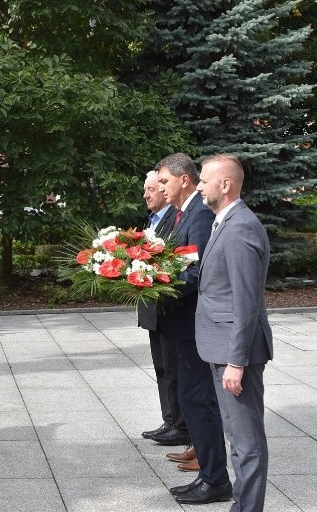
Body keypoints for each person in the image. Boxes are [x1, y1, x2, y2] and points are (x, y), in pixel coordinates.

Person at [196, 154, 273, 512]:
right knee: (237, 439)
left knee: (247, 443)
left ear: (224, 185)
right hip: (221, 348)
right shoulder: (225, 221)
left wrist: (236, 362)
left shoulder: (240, 226)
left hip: (233, 352)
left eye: (203, 180)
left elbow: (246, 303)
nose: (198, 186)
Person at [155, 153, 232, 505]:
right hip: (180, 323)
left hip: (192, 324)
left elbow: (195, 271)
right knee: (192, 397)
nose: (159, 188)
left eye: (165, 182)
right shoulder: (183, 212)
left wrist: (154, 281)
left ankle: (214, 477)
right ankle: (209, 471)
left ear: (182, 180)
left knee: (198, 400)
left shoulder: (198, 214)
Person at [137, 172, 185, 449]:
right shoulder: (153, 220)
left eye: (151, 188)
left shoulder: (175, 218)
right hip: (154, 307)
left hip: (169, 306)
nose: (146, 194)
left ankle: (178, 423)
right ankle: (169, 420)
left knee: (173, 367)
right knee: (161, 366)